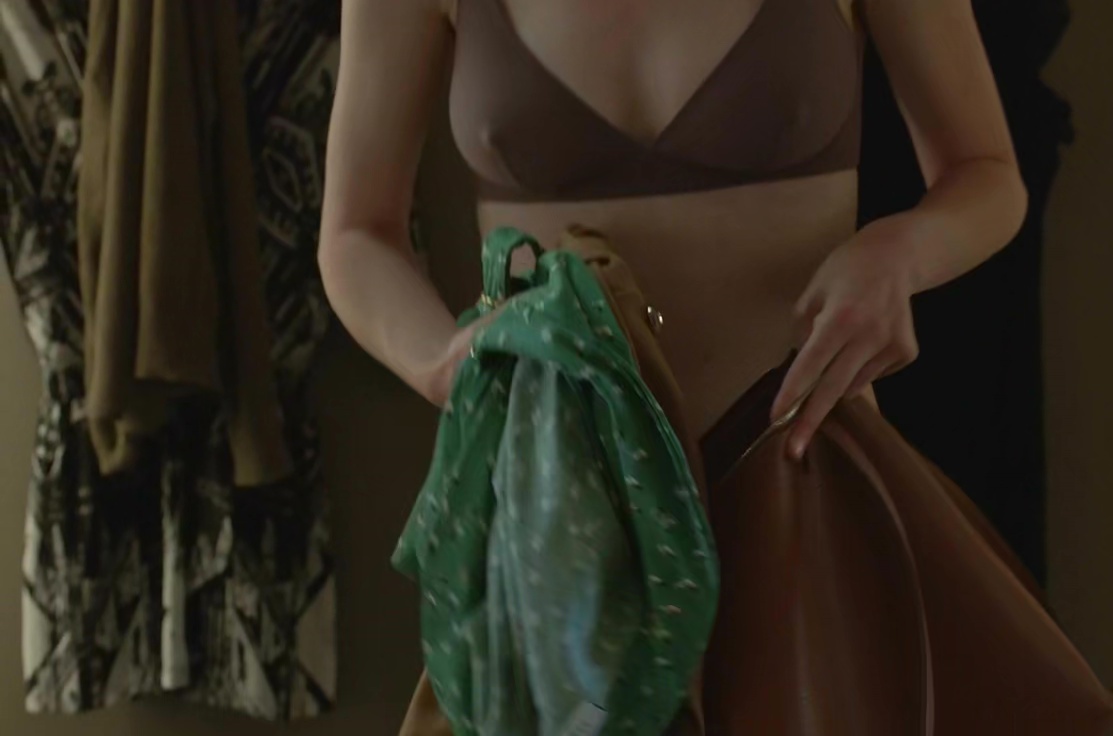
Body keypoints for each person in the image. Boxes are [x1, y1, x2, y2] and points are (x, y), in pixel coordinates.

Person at [318, 0, 1025, 728]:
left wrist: (899, 253)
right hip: (563, 518)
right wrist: (442, 362)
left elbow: (987, 172)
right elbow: (356, 232)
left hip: (802, 480)